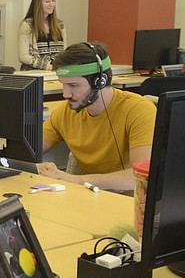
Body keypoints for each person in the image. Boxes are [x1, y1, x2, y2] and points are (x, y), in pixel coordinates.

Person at [39, 42, 156, 191]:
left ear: (100, 81)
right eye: (63, 84)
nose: (65, 94)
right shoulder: (64, 113)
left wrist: (77, 180)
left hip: (127, 200)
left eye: (74, 86)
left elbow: (139, 178)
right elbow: (25, 152)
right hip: (90, 196)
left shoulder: (139, 110)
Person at [18, 0, 66, 71]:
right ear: (39, 3)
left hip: (55, 72)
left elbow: (64, 52)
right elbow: (23, 56)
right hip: (33, 73)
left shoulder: (60, 25)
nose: (51, 4)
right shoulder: (27, 25)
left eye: (53, 0)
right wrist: (47, 66)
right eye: (47, 1)